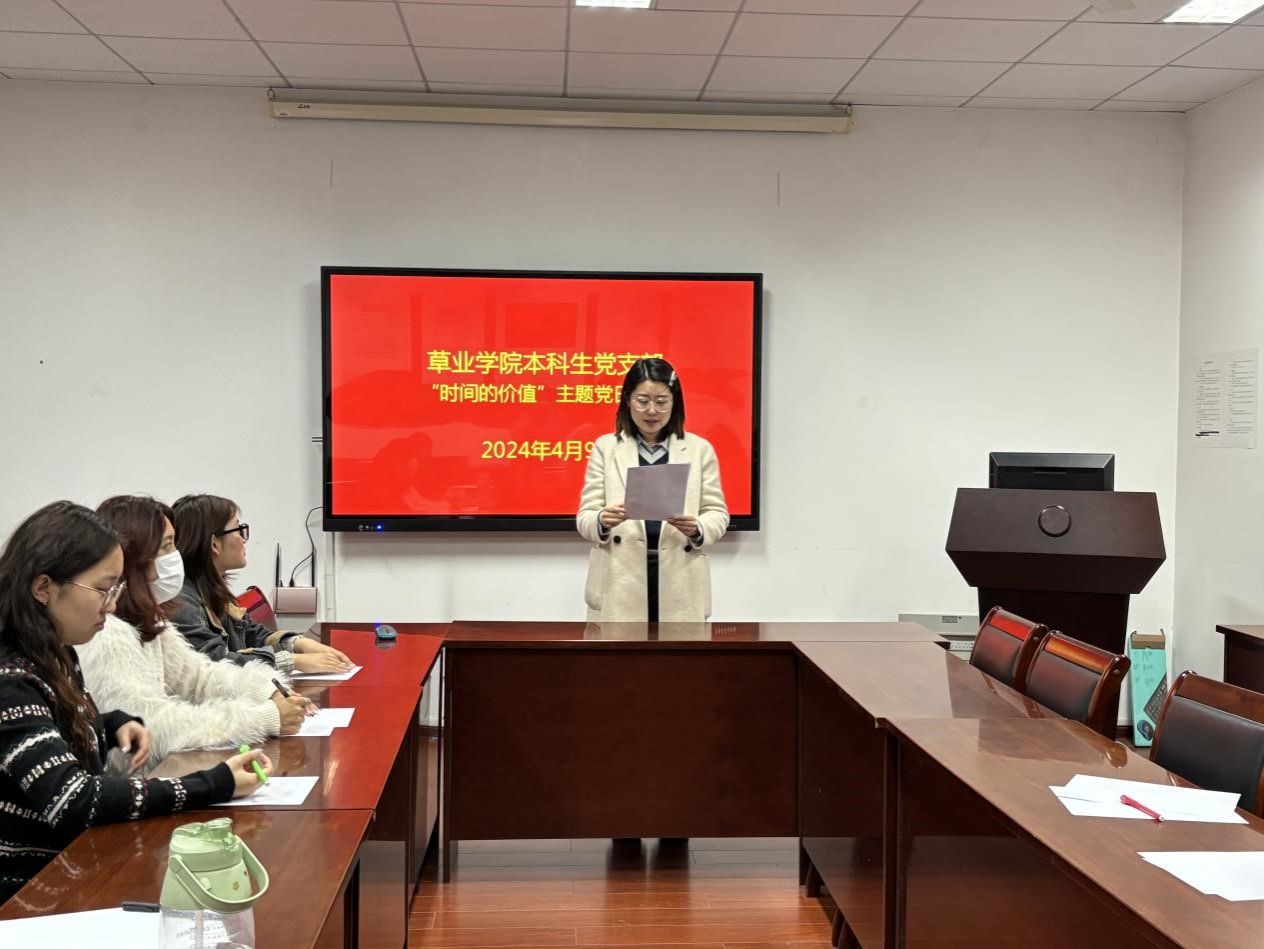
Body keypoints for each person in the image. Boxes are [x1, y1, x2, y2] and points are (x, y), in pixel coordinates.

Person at [0, 501, 272, 903]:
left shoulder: (58, 654)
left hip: (73, 868)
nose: (111, 605)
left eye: (116, 590)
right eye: (102, 589)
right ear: (43, 588)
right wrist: (212, 784)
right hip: (28, 896)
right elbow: (74, 800)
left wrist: (110, 724)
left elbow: (54, 731)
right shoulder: (11, 681)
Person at [77, 496, 313, 764]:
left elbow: (201, 677)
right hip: (143, 782)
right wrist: (262, 718)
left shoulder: (150, 622)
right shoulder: (106, 635)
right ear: (136, 557)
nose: (175, 556)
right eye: (167, 545)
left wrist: (266, 689)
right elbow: (153, 727)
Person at [577, 358, 729, 623]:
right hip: (619, 578)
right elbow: (585, 517)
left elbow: (717, 513)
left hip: (680, 576)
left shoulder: (698, 449)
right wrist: (601, 520)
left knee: (677, 650)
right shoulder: (606, 447)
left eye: (661, 401)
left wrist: (698, 527)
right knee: (620, 649)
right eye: (642, 400)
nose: (652, 411)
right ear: (627, 400)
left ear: (675, 402)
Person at [168, 494, 351, 675]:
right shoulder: (181, 602)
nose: (244, 539)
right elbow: (215, 662)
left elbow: (250, 633)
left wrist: (299, 644)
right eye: (238, 530)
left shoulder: (211, 590)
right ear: (215, 544)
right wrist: (293, 661)